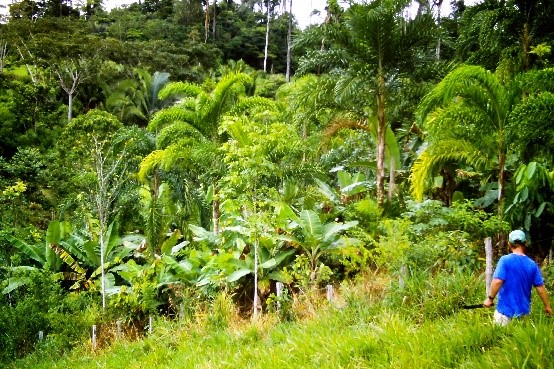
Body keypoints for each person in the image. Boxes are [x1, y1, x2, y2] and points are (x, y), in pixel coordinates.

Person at [483, 230, 552, 325]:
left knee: (500, 339)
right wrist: (547, 306)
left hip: (504, 313)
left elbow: (498, 281)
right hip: (523, 314)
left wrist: (490, 299)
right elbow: (540, 288)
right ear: (525, 243)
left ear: (509, 244)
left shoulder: (505, 260)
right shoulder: (532, 264)